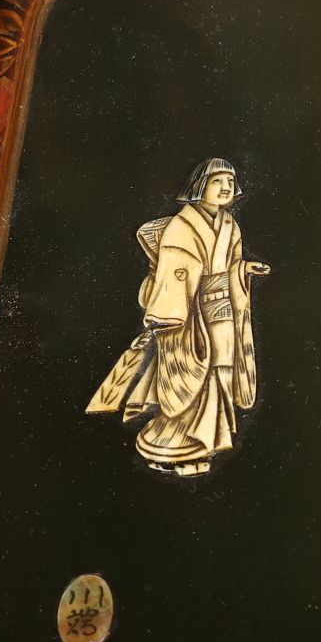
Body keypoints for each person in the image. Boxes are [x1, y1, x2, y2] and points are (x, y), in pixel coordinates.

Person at [87, 158, 271, 475]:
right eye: (217, 181)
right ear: (199, 186)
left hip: (223, 312)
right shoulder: (181, 226)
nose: (226, 188)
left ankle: (204, 445)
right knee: (191, 378)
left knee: (219, 374)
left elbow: (230, 266)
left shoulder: (230, 225)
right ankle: (172, 448)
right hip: (189, 315)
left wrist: (243, 270)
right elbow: (174, 273)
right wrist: (169, 314)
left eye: (230, 182)